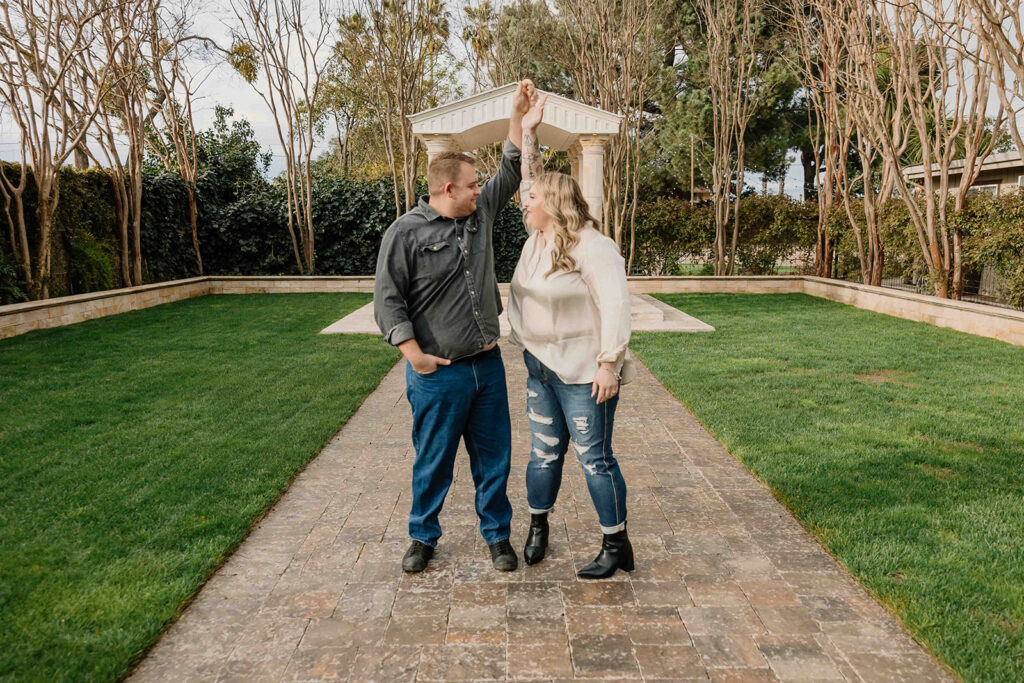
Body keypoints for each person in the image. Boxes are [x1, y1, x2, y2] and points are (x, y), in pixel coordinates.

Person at [374, 80, 538, 573]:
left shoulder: (479, 214)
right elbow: (387, 300)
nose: (478, 190)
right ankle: (423, 537)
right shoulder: (405, 233)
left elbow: (511, 169)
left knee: (494, 459)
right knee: (433, 461)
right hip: (437, 373)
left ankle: (497, 536)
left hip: (486, 365)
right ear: (449, 188)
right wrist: (414, 356)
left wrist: (519, 119)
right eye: (471, 184)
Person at [508, 94, 636, 579]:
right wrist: (530, 133)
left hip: (584, 375)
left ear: (554, 203)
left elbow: (617, 304)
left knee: (594, 459)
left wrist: (610, 363)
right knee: (543, 454)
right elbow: (529, 178)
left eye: (533, 199)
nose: (525, 201)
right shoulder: (539, 238)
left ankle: (616, 544)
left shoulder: (593, 246)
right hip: (540, 369)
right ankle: (538, 526)